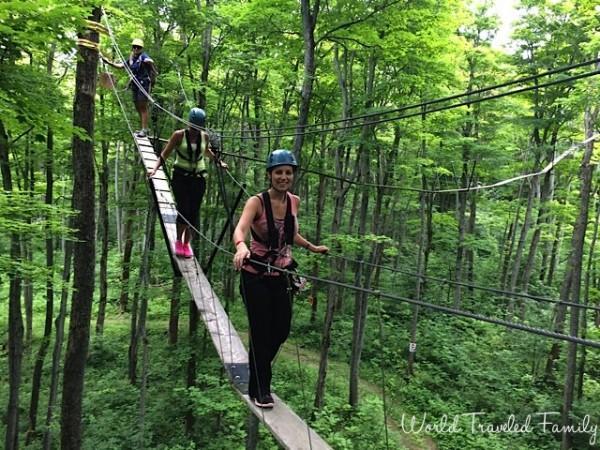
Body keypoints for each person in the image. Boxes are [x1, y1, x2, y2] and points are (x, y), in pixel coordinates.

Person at [232, 149, 328, 408]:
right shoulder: (257, 202)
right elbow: (240, 228)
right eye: (279, 172)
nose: (284, 177)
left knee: (281, 330)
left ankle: (257, 367)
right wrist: (241, 246)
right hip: (255, 276)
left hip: (281, 275)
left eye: (288, 172)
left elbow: (289, 234)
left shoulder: (293, 201)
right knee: (262, 333)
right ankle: (260, 389)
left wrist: (311, 247)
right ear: (269, 174)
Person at [147, 107, 227, 258]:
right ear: (188, 123)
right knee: (184, 209)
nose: (195, 130)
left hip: (199, 179)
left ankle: (186, 243)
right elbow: (164, 155)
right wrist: (154, 169)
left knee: (194, 211)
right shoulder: (178, 136)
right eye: (193, 126)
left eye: (198, 127)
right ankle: (178, 241)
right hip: (181, 177)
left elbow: (207, 152)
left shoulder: (204, 137)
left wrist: (219, 162)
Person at [101, 38, 157, 137]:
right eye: (134, 47)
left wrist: (150, 62)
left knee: (143, 106)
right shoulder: (131, 59)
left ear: (141, 48)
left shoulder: (143, 56)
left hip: (143, 84)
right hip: (135, 84)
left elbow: (149, 61)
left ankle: (144, 129)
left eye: (138, 47)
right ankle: (142, 128)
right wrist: (108, 62)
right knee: (137, 106)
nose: (136, 49)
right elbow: (121, 66)